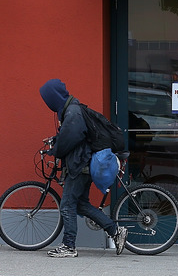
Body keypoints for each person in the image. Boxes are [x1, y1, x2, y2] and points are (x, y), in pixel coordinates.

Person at [39, 78, 127, 258]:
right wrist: (56, 141)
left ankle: (68, 246)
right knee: (81, 205)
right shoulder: (70, 110)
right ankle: (115, 231)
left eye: (47, 98)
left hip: (80, 165)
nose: (47, 103)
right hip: (83, 164)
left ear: (53, 97)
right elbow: (74, 136)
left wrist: (55, 150)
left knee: (67, 205)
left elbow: (71, 138)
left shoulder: (72, 112)